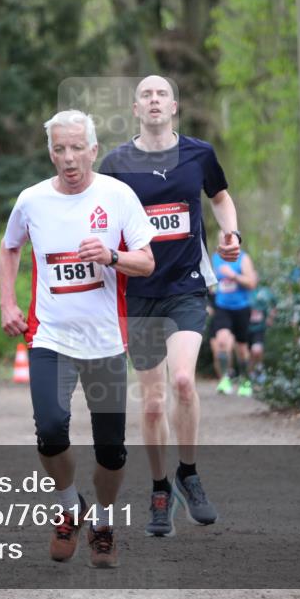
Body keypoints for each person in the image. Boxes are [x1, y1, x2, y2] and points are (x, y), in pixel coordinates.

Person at [0, 110, 156, 568]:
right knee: (49, 430)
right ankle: (71, 507)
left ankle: (103, 522)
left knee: (111, 449)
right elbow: (9, 248)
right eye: (59, 149)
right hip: (50, 336)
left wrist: (111, 256)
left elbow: (146, 262)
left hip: (105, 340)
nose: (68, 159)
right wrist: (8, 304)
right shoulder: (32, 200)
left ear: (93, 150)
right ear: (51, 153)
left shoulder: (118, 196)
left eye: (75, 148)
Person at [99, 75, 242, 537]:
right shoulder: (117, 163)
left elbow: (220, 197)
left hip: (185, 284)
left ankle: (189, 471)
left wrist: (231, 232)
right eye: (146, 95)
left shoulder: (199, 154)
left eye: (162, 94)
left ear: (175, 106)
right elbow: (98, 217)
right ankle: (160, 488)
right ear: (136, 109)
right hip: (138, 291)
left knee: (182, 380)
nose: (155, 100)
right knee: (154, 402)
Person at [208, 249, 257, 397]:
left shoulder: (243, 258)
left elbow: (251, 283)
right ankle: (224, 379)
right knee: (222, 341)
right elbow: (212, 282)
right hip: (222, 307)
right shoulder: (215, 258)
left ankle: (245, 381)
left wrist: (233, 276)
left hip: (241, 307)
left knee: (242, 348)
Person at [246, 282, 277, 387]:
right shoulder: (240, 291)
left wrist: (271, 317)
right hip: (244, 328)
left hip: (259, 327)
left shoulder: (264, 291)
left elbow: (274, 303)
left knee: (257, 350)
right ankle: (249, 375)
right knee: (247, 353)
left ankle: (259, 369)